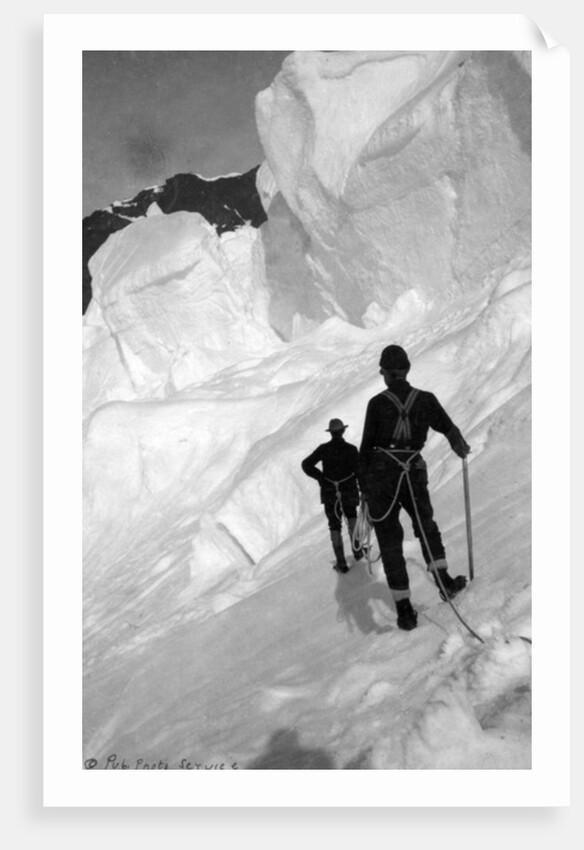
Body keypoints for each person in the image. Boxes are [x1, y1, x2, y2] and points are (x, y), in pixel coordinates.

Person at [358, 345, 471, 631]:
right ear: (407, 370)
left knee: (389, 538)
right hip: (414, 472)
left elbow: (366, 449)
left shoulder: (377, 403)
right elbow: (448, 428)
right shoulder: (426, 400)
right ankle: (445, 583)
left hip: (382, 476)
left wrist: (364, 489)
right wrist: (459, 446)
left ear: (385, 373)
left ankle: (405, 610)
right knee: (426, 526)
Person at [302, 419, 363, 573]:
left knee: (334, 524)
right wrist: (363, 488)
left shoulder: (324, 449)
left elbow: (306, 464)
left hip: (330, 491)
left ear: (331, 432)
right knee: (352, 517)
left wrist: (321, 478)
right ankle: (358, 553)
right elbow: (359, 471)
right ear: (343, 431)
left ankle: (341, 562)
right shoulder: (351, 449)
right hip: (348, 490)